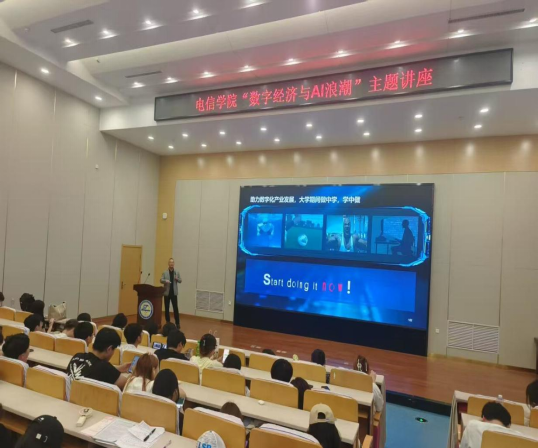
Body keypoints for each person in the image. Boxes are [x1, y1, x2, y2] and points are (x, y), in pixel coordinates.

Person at [160, 258, 182, 328]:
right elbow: (161, 280)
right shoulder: (165, 272)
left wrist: (177, 279)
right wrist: (165, 281)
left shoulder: (176, 272)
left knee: (175, 308)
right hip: (167, 293)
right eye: (170, 262)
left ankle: (177, 323)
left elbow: (180, 280)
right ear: (168, 264)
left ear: (174, 264)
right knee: (166, 308)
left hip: (174, 293)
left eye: (172, 262)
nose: (171, 264)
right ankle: (168, 322)